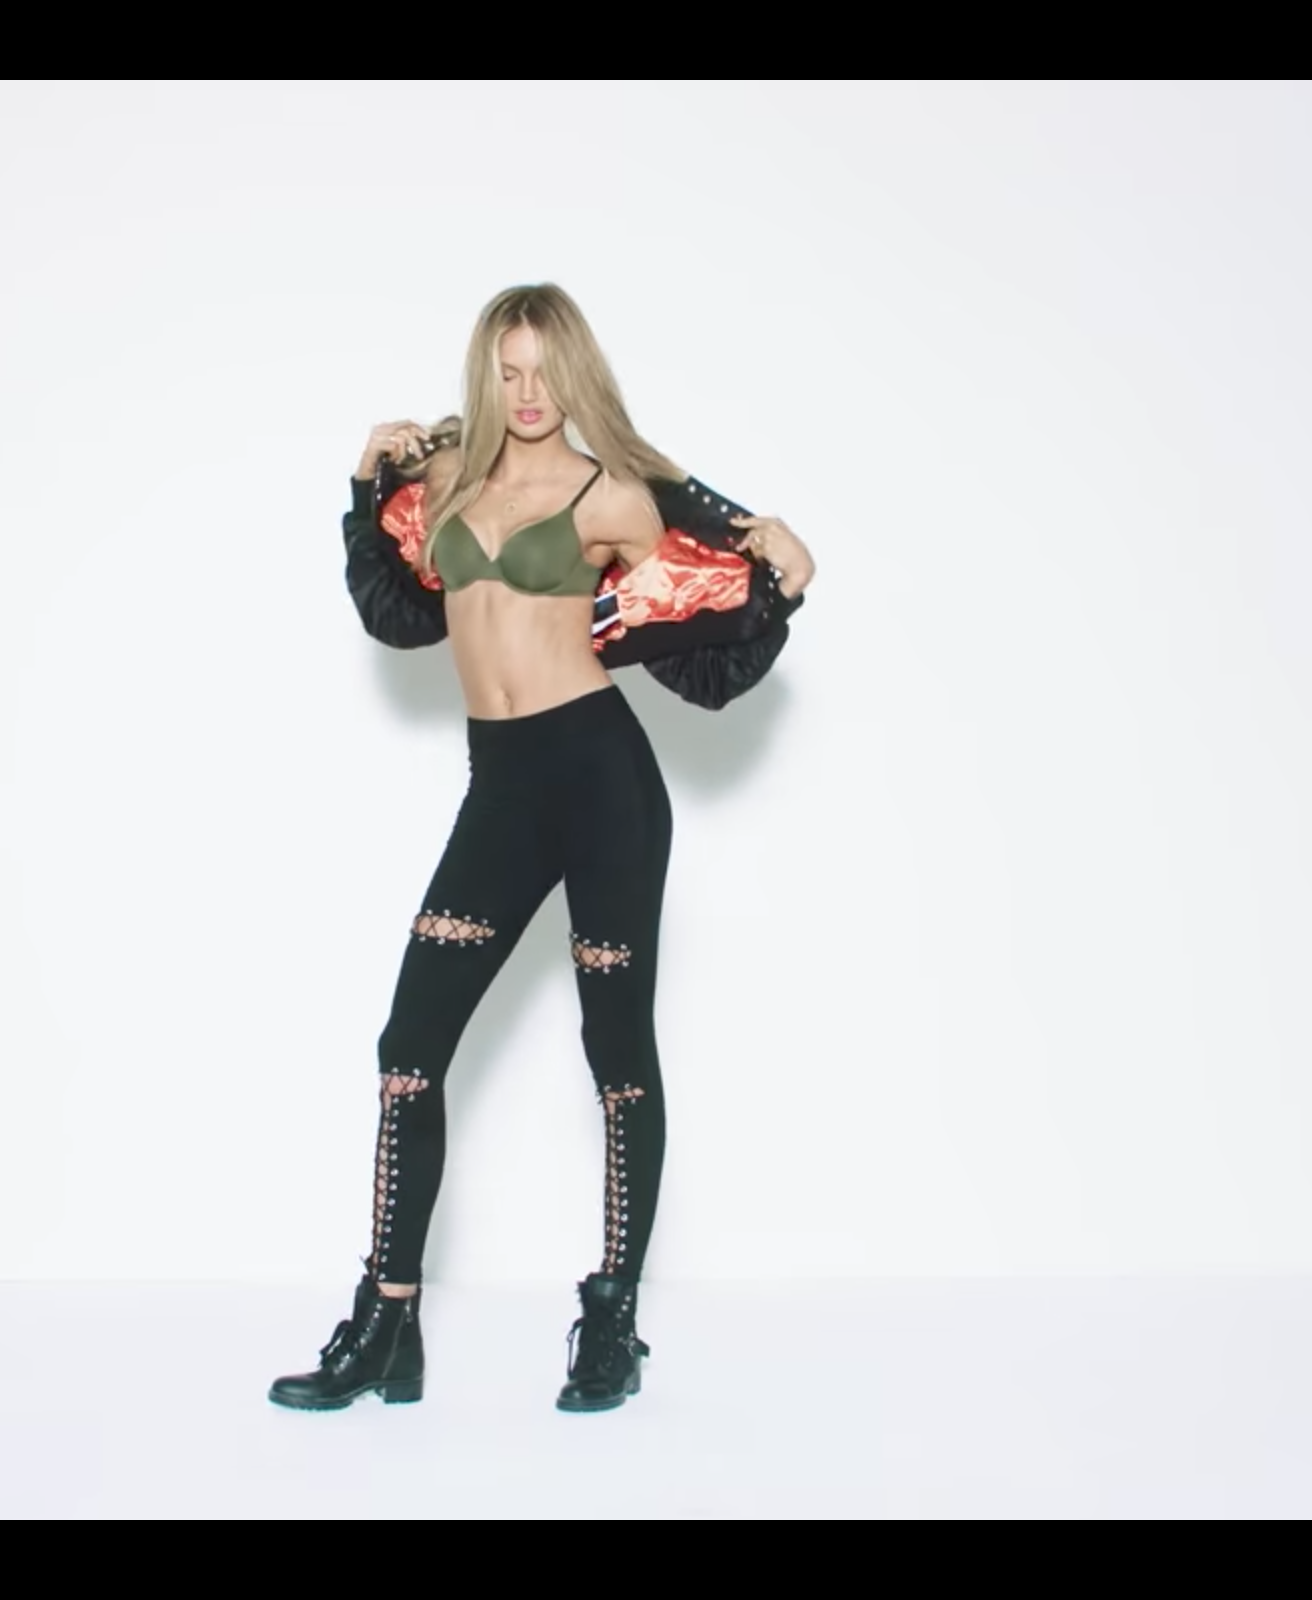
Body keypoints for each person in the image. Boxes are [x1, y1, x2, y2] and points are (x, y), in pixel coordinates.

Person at [268, 284, 815, 1414]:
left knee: (616, 1055)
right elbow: (394, 614)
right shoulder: (448, 480)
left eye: (544, 371)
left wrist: (781, 584)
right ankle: (387, 1321)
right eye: (507, 371)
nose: (527, 393)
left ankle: (611, 1323)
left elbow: (701, 646)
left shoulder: (614, 494)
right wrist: (363, 489)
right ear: (487, 373)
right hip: (502, 789)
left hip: (602, 782)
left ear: (575, 374)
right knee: (409, 1048)